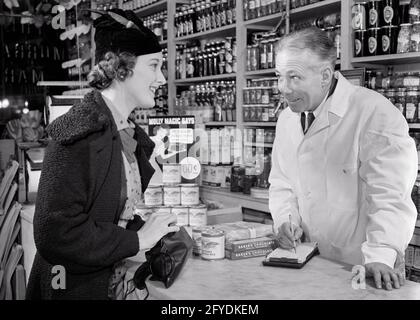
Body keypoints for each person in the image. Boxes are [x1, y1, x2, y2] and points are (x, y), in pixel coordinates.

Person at [26, 9, 179, 300]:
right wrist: (137, 239)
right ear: (122, 67)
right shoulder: (80, 131)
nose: (161, 78)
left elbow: (107, 213)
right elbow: (54, 233)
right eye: (155, 65)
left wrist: (146, 228)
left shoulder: (123, 131)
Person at [269, 27, 418, 291]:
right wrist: (285, 220)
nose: (283, 88)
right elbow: (282, 183)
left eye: (294, 77)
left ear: (325, 75)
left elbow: (390, 195)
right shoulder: (286, 120)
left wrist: (381, 254)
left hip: (365, 266)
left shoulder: (374, 112)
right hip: (308, 261)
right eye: (279, 76)